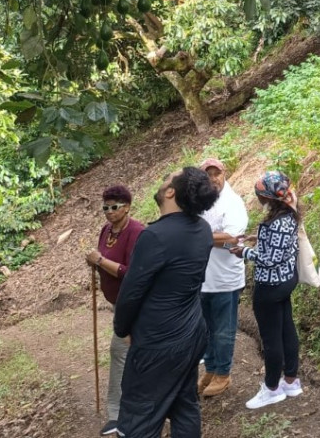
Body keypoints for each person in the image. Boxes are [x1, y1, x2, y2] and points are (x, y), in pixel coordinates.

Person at [112, 167, 219, 438]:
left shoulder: (155, 236)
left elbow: (131, 292)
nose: (161, 182)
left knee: (139, 416)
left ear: (171, 192)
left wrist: (122, 329)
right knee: (185, 405)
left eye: (166, 179)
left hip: (158, 342)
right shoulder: (203, 230)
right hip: (191, 334)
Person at [234, 171, 303, 410]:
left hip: (270, 286)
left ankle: (272, 387)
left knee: (271, 338)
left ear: (268, 198)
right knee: (287, 329)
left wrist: (242, 252)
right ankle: (291, 380)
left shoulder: (275, 223)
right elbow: (281, 247)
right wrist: (259, 237)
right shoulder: (290, 214)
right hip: (287, 280)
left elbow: (268, 259)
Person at [85, 185, 145, 437]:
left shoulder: (137, 232)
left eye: (114, 207)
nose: (109, 212)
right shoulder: (107, 231)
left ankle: (118, 415)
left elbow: (131, 272)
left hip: (134, 304)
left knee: (119, 351)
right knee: (128, 353)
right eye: (105, 208)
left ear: (127, 207)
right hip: (117, 303)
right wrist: (94, 263)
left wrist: (99, 261)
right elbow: (104, 261)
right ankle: (129, 410)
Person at [197, 157, 249, 398]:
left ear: (224, 173)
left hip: (225, 278)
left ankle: (223, 373)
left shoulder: (233, 202)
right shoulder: (201, 201)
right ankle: (210, 368)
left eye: (215, 173)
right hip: (202, 277)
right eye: (207, 174)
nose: (212, 178)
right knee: (205, 328)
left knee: (223, 329)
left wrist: (198, 234)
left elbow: (232, 237)